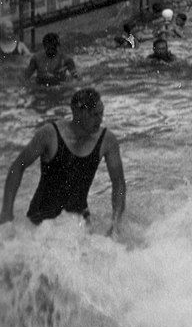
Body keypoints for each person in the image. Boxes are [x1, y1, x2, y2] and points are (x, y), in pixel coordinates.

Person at [0, 87, 125, 231]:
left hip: (78, 223)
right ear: (78, 112)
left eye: (101, 114)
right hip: (40, 222)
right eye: (94, 115)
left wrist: (116, 223)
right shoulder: (49, 134)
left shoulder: (107, 140)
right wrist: (6, 213)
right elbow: (18, 166)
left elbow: (118, 182)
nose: (99, 120)